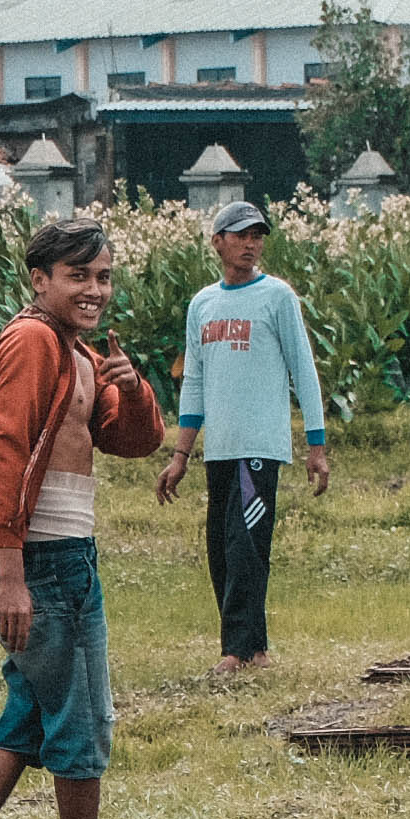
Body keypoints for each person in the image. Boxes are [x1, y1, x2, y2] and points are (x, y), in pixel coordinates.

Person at [0, 218, 165, 819]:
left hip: (72, 554)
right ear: (40, 280)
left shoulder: (81, 353)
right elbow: (4, 450)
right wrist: (10, 572)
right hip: (45, 557)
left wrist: (136, 383)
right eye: (78, 276)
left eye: (104, 277)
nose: (95, 290)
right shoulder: (32, 341)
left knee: (31, 715)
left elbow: (133, 439)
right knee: (82, 722)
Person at [155, 201, 329, 671]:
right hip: (221, 450)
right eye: (241, 235)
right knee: (221, 547)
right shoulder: (203, 304)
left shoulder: (277, 297)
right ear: (218, 242)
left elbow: (304, 371)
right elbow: (194, 381)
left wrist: (316, 445)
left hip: (259, 446)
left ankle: (237, 651)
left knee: (245, 544)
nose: (251, 244)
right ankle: (253, 648)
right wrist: (181, 454)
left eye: (257, 236)